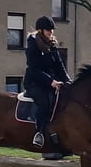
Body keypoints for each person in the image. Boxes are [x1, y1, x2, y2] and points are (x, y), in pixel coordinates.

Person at [23, 16, 71, 148]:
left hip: (52, 81)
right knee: (44, 102)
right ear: (40, 30)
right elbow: (33, 69)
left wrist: (68, 81)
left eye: (51, 30)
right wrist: (50, 81)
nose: (51, 32)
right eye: (48, 30)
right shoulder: (33, 46)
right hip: (34, 83)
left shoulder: (52, 45)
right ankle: (38, 133)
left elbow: (59, 66)